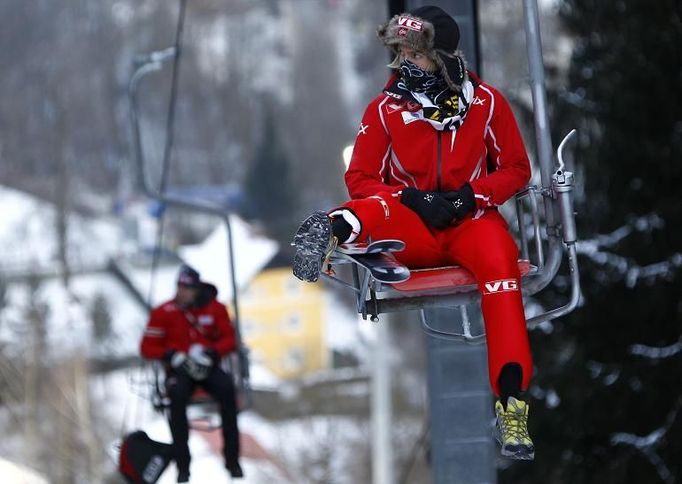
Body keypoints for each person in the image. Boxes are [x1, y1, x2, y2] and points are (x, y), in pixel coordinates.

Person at [293, 6, 534, 460]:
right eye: (400, 53)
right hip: (413, 222)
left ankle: (512, 401)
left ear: (440, 56)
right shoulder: (385, 108)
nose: (405, 63)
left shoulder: (485, 103)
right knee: (375, 205)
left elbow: (517, 169)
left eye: (415, 55)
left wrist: (471, 195)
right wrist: (412, 198)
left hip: (472, 221)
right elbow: (361, 177)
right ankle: (334, 228)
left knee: (501, 267)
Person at [140, 265, 244, 481]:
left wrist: (213, 353)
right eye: (180, 286)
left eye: (187, 288)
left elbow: (229, 339)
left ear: (197, 289)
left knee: (227, 392)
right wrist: (170, 355)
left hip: (208, 366)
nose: (183, 291)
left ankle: (232, 460)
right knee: (176, 399)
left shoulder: (215, 308)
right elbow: (147, 347)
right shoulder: (163, 312)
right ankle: (183, 465)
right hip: (179, 370)